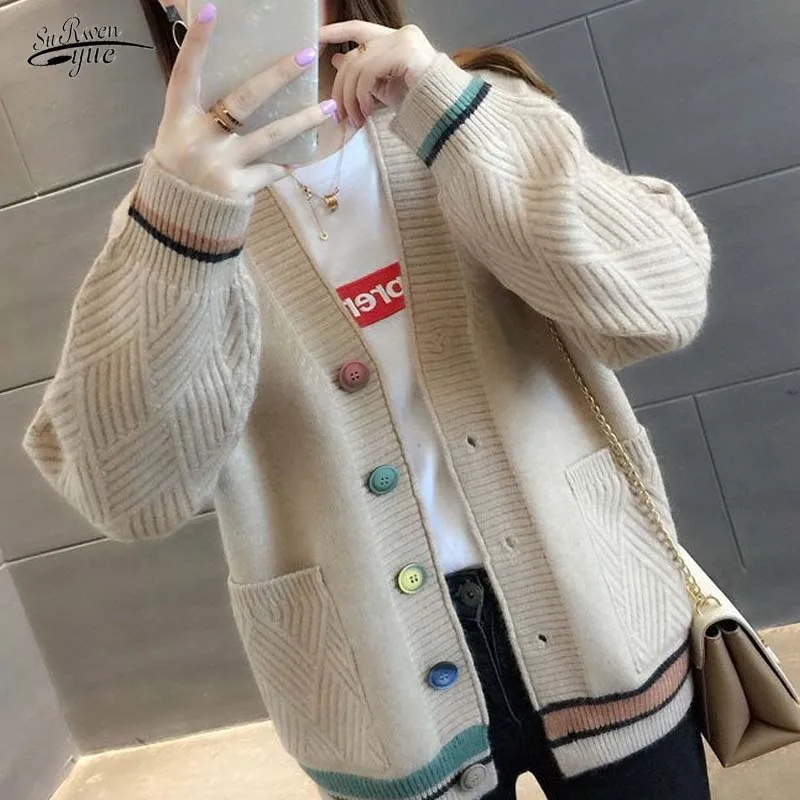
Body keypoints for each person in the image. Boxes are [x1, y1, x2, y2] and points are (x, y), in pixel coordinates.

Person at [23, 0, 715, 798]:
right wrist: (179, 227)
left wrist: (447, 108)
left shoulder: (474, 106)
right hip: (373, 679)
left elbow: (662, 304)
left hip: (603, 615)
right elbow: (124, 495)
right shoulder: (163, 221)